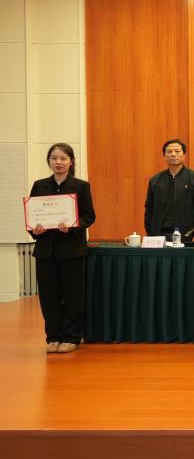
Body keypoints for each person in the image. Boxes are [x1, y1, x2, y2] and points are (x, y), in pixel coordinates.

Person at [27, 143, 96, 354]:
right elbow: (32, 216)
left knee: (73, 296)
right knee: (49, 297)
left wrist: (73, 227)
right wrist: (35, 230)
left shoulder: (81, 186)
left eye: (63, 158)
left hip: (72, 250)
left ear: (71, 162)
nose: (58, 162)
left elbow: (89, 216)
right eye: (54, 158)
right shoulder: (39, 186)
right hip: (45, 251)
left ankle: (72, 337)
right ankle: (53, 337)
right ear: (48, 161)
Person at [144, 139, 194, 243]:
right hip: (160, 235)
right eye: (169, 152)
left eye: (177, 151)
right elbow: (149, 209)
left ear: (184, 155)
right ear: (164, 156)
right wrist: (150, 233)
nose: (173, 154)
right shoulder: (155, 180)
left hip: (188, 235)